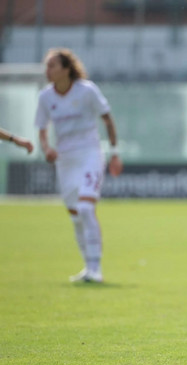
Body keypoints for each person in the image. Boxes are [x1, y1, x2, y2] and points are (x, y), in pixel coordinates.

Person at [35, 48, 123, 283]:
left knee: (85, 209)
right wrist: (47, 149)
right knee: (75, 217)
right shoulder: (45, 97)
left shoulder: (87, 90)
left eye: (53, 65)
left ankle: (96, 269)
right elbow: (42, 130)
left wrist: (114, 153)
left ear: (66, 69)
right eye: (47, 65)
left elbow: (107, 119)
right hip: (65, 160)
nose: (48, 70)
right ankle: (87, 267)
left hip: (89, 154)